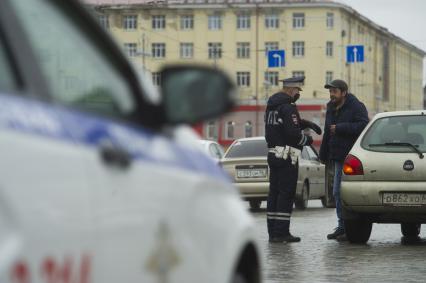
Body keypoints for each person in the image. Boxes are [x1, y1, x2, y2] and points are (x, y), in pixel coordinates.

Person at [265, 76, 322, 243]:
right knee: (286, 194)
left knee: (274, 194)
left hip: (273, 154)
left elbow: (283, 126)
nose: (298, 94)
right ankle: (282, 233)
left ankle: (273, 232)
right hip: (287, 157)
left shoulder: (272, 106)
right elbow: (292, 133)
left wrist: (306, 123)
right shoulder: (288, 106)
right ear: (291, 89)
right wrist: (308, 140)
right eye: (297, 90)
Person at [319, 79, 369, 241]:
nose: (331, 95)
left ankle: (346, 226)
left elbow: (364, 126)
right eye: (330, 92)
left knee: (342, 192)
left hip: (352, 157)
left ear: (343, 92)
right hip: (336, 155)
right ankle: (343, 226)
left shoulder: (356, 106)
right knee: (337, 192)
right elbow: (328, 132)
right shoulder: (331, 107)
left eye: (334, 92)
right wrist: (323, 154)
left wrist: (341, 128)